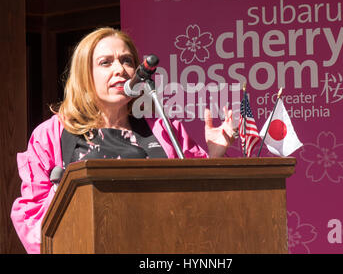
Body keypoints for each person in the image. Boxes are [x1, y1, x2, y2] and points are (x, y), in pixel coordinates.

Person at [11, 27, 237, 254]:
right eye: (105, 62)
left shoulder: (163, 130)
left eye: (127, 61)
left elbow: (199, 197)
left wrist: (215, 156)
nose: (120, 69)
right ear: (84, 74)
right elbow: (31, 214)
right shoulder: (52, 133)